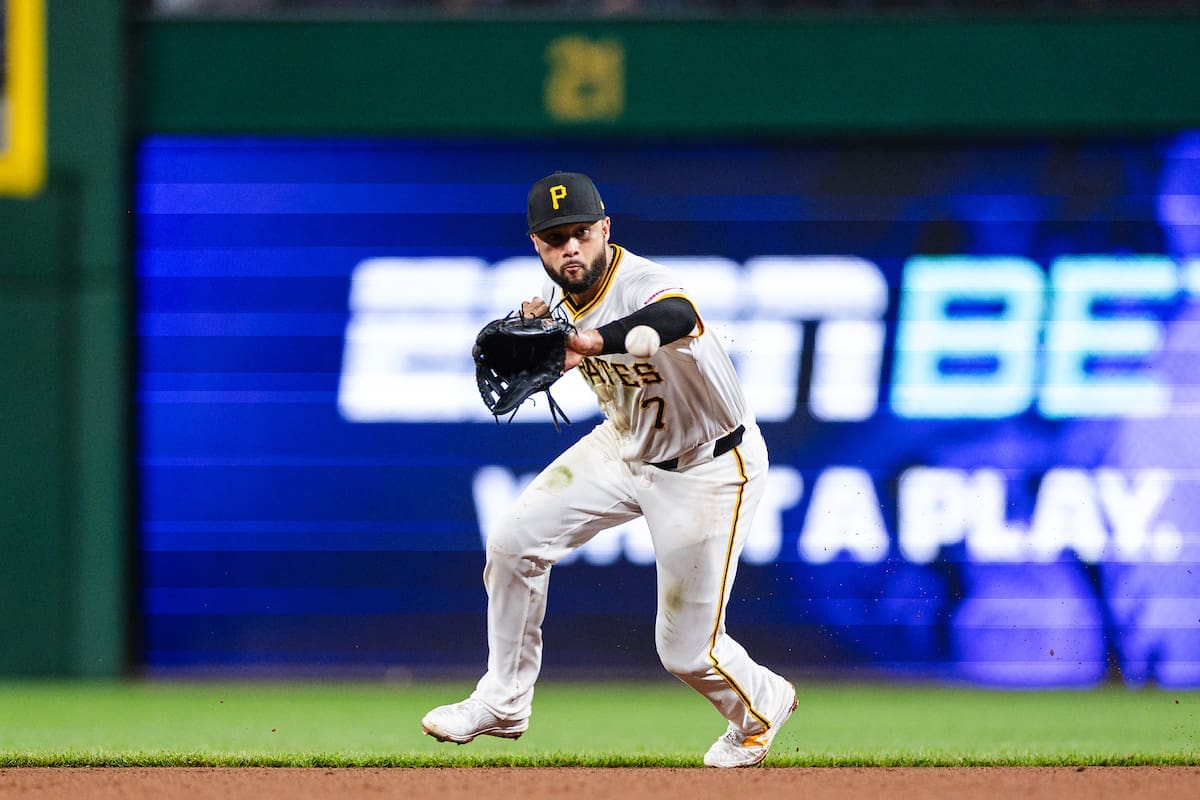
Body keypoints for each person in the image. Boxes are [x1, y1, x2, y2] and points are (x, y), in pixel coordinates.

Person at [421, 171, 795, 767]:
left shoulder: (644, 281)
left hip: (709, 465)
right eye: (554, 238)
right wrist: (552, 341)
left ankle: (762, 706)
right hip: (623, 448)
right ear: (537, 246)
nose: (571, 247)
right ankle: (503, 701)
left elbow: (676, 315)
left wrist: (590, 341)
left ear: (605, 229)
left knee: (686, 653)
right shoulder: (557, 308)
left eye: (582, 233)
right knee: (514, 542)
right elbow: (557, 353)